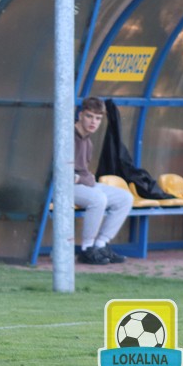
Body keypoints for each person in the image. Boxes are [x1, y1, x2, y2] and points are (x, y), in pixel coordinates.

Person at [73, 96, 132, 264]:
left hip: (81, 183)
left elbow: (84, 175)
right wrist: (84, 179)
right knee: (98, 199)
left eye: (98, 118)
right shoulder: (67, 135)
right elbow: (64, 174)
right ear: (80, 115)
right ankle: (87, 249)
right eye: (89, 116)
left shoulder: (88, 142)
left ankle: (100, 245)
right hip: (60, 187)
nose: (94, 122)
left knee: (125, 198)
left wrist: (84, 179)